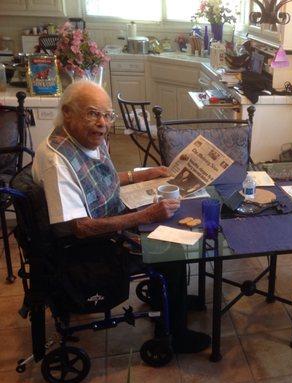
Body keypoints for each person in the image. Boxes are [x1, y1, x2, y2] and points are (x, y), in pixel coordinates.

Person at [32, 80, 210, 353]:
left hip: (106, 217)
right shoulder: (57, 160)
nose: (102, 122)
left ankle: (173, 299)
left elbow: (95, 180)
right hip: (90, 245)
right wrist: (144, 215)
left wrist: (142, 174)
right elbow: (81, 228)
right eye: (92, 113)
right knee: (172, 250)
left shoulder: (82, 138)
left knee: (166, 221)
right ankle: (176, 333)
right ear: (68, 112)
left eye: (106, 115)